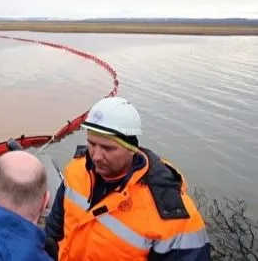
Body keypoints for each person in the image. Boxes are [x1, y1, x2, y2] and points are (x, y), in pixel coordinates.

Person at [44, 96, 211, 261]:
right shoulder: (76, 170)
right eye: (92, 144)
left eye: (108, 148)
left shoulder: (170, 211)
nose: (96, 156)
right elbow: (54, 227)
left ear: (131, 149)